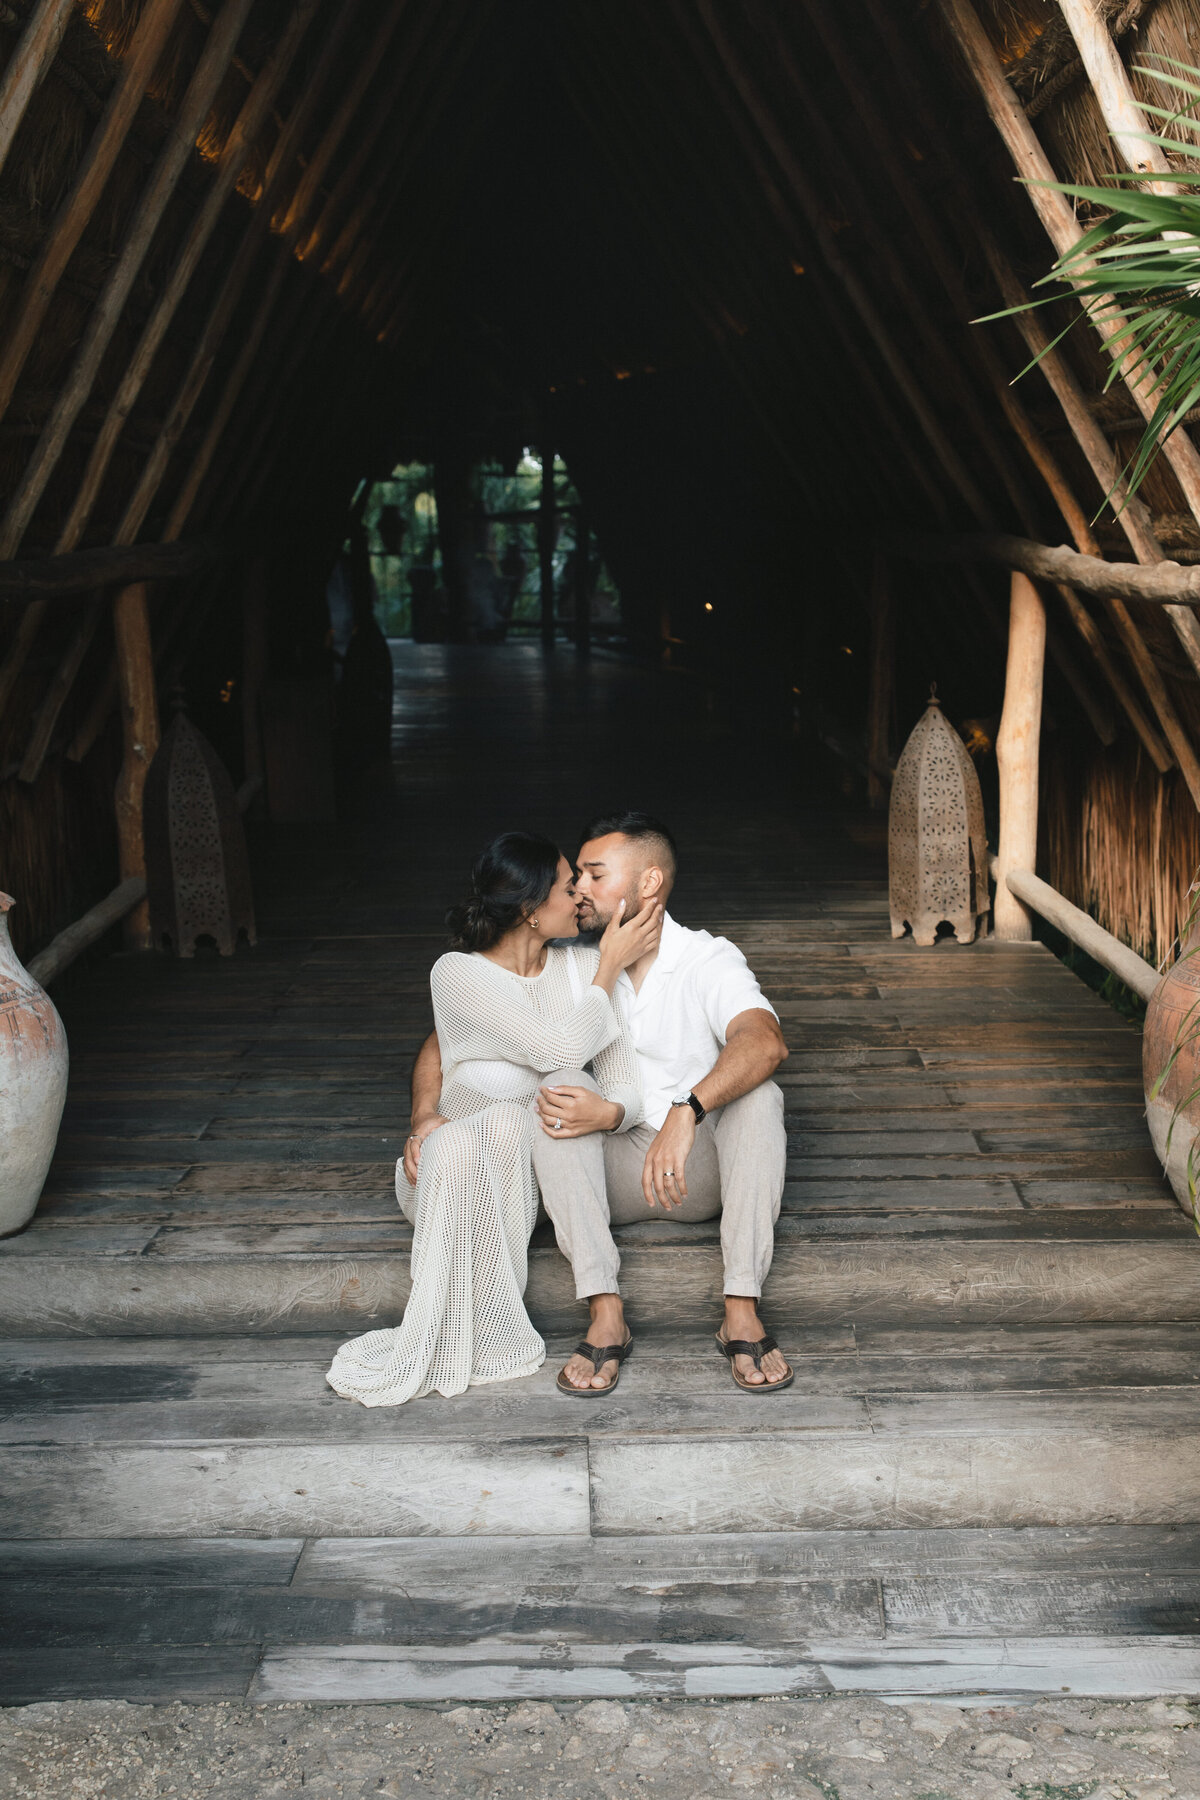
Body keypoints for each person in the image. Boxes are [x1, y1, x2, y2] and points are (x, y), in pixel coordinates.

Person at [406, 812, 792, 1399]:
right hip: (603, 1173)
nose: (581, 889)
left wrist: (686, 1112)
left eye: (593, 874)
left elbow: (764, 1043)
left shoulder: (705, 960)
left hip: (694, 1167)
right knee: (559, 1089)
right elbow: (452, 1034)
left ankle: (741, 1308)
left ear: (648, 884)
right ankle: (605, 1312)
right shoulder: (583, 962)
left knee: (760, 1095)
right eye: (574, 879)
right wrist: (424, 1112)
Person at [326, 832, 659, 1407]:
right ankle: (452, 1336)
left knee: (519, 1119)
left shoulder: (582, 967)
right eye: (566, 883)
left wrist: (613, 1111)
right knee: (460, 1143)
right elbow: (557, 1051)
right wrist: (608, 969)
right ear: (530, 910)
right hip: (444, 1173)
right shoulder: (457, 974)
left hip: (530, 1181)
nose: (580, 891)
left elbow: (621, 1076)